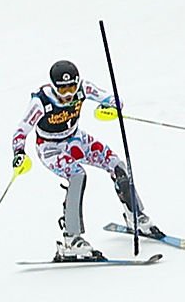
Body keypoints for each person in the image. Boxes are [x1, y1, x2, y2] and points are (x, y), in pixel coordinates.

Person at [11, 59, 163, 259]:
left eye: (72, 87)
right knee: (77, 175)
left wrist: (111, 107)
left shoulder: (83, 89)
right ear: (54, 87)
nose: (68, 94)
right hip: (49, 148)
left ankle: (135, 215)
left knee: (117, 165)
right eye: (63, 89)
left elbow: (112, 99)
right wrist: (19, 154)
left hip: (75, 139)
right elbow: (21, 131)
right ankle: (71, 238)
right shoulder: (41, 101)